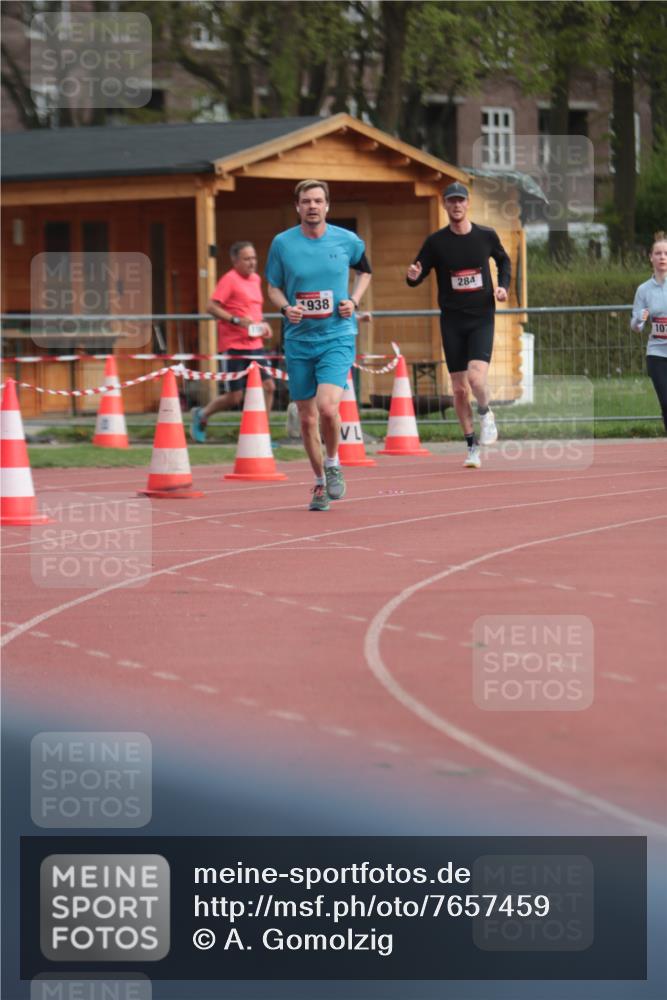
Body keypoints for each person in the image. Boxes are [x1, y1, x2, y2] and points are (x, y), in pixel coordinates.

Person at [266, 179, 372, 511]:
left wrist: (353, 301)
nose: (312, 206)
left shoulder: (347, 240)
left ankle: (333, 463)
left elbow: (365, 271)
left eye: (318, 201)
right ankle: (318, 484)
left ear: (327, 206)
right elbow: (272, 287)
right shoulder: (283, 244)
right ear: (298, 207)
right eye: (306, 201)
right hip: (299, 340)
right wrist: (286, 308)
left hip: (337, 336)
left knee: (328, 407)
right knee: (307, 418)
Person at [406, 181, 511, 469]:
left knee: (476, 379)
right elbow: (417, 274)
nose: (456, 205)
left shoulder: (485, 236)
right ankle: (471, 446)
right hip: (452, 321)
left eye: (460, 201)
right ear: (444, 205)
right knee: (459, 389)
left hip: (481, 318)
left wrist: (502, 287)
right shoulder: (436, 243)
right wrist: (413, 275)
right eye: (450, 201)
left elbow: (504, 261)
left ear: (467, 204)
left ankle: (486, 414)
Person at [191, 241, 275, 443]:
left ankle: (262, 434)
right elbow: (210, 307)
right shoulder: (229, 280)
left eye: (254, 258)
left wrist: (264, 324)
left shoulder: (255, 279)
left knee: (269, 387)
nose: (252, 262)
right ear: (235, 261)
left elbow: (255, 310)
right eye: (247, 259)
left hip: (255, 345)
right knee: (235, 397)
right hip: (234, 345)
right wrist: (236, 320)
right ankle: (202, 415)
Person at [631, 230, 667, 433]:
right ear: (651, 258)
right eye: (658, 253)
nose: (662, 257)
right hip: (657, 355)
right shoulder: (643, 290)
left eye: (666, 253)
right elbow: (636, 327)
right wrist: (639, 319)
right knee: (666, 403)